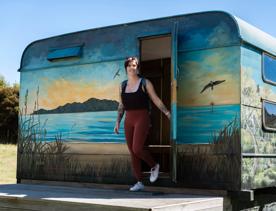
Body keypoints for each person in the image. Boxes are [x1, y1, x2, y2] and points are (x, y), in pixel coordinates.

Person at [114, 56, 171, 191]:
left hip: (142, 117)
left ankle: (154, 165)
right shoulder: (122, 85)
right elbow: (121, 105)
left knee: (137, 149)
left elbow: (156, 99)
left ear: (137, 67)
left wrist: (167, 112)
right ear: (126, 68)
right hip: (128, 119)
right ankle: (139, 182)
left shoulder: (145, 83)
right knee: (132, 152)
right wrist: (117, 122)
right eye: (129, 66)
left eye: (134, 65)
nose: (131, 68)